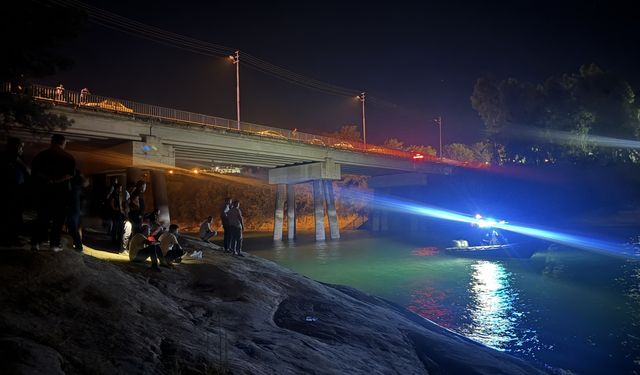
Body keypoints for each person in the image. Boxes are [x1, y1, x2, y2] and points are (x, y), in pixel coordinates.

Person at [30, 134, 76, 252]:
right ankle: (54, 245)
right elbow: (70, 175)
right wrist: (57, 181)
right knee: (58, 219)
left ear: (52, 142)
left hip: (44, 191)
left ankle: (36, 243)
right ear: (63, 143)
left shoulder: (41, 155)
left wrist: (48, 180)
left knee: (41, 217)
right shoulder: (69, 157)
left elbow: (34, 172)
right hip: (61, 193)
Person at [1, 137, 30, 246]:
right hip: (10, 191)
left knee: (12, 214)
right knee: (11, 215)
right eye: (21, 146)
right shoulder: (10, 157)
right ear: (15, 146)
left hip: (14, 190)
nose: (22, 148)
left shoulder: (14, 157)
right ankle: (11, 239)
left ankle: (12, 238)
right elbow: (27, 171)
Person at [67, 169, 88, 252]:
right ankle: (77, 245)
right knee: (73, 227)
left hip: (74, 207)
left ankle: (79, 246)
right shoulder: (78, 184)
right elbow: (86, 183)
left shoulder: (74, 184)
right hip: (76, 208)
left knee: (73, 227)